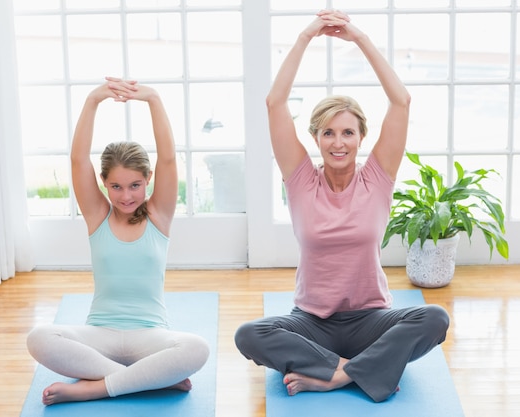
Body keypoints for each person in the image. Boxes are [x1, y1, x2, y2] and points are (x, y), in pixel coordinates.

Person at [234, 10, 449, 403]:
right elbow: (274, 102)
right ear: (315, 137)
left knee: (434, 319)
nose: (338, 142)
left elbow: (401, 101)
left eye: (348, 132)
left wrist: (359, 38)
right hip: (311, 321)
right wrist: (305, 37)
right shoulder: (300, 181)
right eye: (328, 132)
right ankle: (366, 369)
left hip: (372, 320)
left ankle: (335, 374)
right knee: (249, 335)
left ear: (361, 136)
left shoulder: (377, 178)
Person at [27, 77, 209, 405]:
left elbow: (168, 159)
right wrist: (93, 100)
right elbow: (77, 160)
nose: (126, 197)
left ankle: (94, 387)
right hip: (100, 335)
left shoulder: (159, 216)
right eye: (116, 187)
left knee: (198, 348)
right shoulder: (98, 216)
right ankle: (149, 380)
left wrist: (153, 98)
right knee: (39, 337)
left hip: (151, 336)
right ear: (104, 183)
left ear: (148, 179)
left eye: (135, 185)